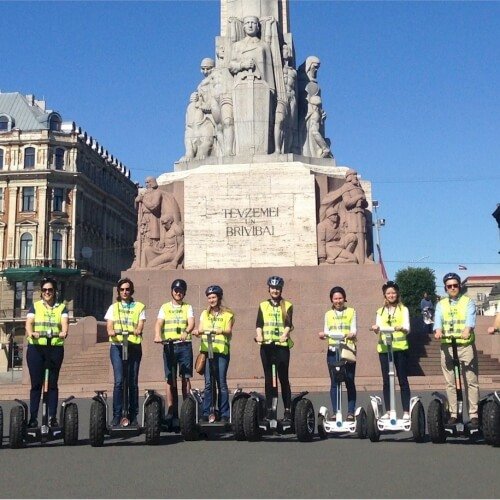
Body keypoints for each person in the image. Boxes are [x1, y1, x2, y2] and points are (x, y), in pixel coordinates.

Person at [434, 272, 479, 426]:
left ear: (459, 286)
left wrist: (467, 329)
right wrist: (438, 330)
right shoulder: (441, 304)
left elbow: (470, 318)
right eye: (449, 286)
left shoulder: (468, 302)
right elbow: (438, 320)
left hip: (465, 345)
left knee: (471, 381)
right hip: (447, 346)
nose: (452, 288)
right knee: (450, 382)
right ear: (445, 288)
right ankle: (454, 414)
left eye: (455, 285)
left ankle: (474, 415)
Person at [25, 277, 69, 428]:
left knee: (52, 384)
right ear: (41, 292)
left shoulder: (61, 307)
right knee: (36, 384)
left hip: (54, 348)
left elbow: (64, 323)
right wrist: (31, 333)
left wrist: (63, 332)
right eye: (44, 290)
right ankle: (33, 418)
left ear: (55, 291)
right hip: (37, 349)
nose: (47, 292)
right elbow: (29, 323)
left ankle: (52, 417)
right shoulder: (35, 306)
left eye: (50, 290)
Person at [105, 278, 146, 426]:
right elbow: (109, 325)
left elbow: (141, 324)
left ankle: (133, 415)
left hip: (133, 346)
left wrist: (137, 330)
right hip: (117, 346)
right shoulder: (113, 308)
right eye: (122, 289)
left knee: (132, 382)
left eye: (127, 289)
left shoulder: (139, 306)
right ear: (118, 291)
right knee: (119, 381)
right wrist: (111, 331)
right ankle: (117, 415)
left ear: (131, 291)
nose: (125, 292)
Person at [154, 279, 195, 427]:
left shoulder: (188, 307)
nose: (178, 293)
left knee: (185, 377)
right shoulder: (165, 307)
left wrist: (186, 331)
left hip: (184, 345)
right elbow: (159, 323)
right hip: (169, 346)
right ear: (172, 291)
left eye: (181, 290)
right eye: (176, 290)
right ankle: (171, 411)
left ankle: (187, 409)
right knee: (169, 378)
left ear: (184, 292)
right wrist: (158, 335)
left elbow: (191, 323)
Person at [193, 285, 234, 422]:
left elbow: (228, 330)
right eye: (209, 298)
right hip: (207, 352)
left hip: (221, 353)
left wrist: (220, 331)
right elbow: (200, 329)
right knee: (208, 383)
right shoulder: (205, 314)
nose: (211, 300)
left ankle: (224, 414)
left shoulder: (228, 314)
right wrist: (197, 332)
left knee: (221, 383)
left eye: (214, 297)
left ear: (219, 297)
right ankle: (207, 412)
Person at [371, 280, 411, 420]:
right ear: (385, 295)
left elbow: (407, 327)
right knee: (387, 381)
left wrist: (402, 328)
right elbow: (377, 327)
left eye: (393, 292)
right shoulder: (380, 311)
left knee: (402, 380)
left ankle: (406, 411)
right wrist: (375, 328)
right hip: (384, 349)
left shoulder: (403, 309)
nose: (391, 295)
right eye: (388, 293)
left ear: (397, 294)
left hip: (400, 349)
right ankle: (388, 411)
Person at [255, 276, 294, 421]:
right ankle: (269, 411)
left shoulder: (287, 305)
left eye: (277, 288)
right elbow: (259, 324)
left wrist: (285, 335)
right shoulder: (263, 305)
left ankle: (287, 410)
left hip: (281, 346)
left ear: (281, 289)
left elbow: (288, 324)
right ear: (269, 289)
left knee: (283, 378)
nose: (275, 290)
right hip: (267, 346)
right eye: (272, 288)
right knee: (268, 379)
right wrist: (259, 336)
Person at [318, 286, 357, 420]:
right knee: (335, 382)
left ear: (344, 298)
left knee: (349, 380)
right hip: (333, 351)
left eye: (340, 298)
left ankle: (351, 412)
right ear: (331, 300)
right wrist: (323, 335)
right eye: (335, 298)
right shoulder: (328, 314)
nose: (338, 301)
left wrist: (351, 334)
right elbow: (325, 330)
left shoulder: (351, 311)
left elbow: (353, 329)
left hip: (347, 350)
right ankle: (336, 412)